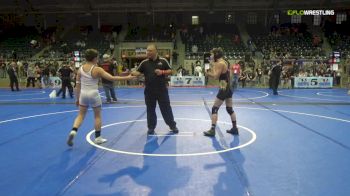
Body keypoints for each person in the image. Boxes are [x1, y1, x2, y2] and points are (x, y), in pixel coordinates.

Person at [67, 49, 135, 146]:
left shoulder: (80, 69)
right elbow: (112, 78)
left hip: (83, 94)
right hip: (93, 94)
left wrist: (77, 99)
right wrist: (127, 78)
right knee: (97, 116)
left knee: (80, 115)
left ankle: (73, 131)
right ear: (95, 58)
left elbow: (77, 86)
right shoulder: (97, 69)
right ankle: (98, 138)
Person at [131, 44, 179, 135]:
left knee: (166, 109)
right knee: (150, 110)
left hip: (162, 91)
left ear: (156, 51)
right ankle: (151, 127)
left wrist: (162, 72)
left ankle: (172, 125)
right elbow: (138, 71)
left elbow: (171, 71)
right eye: (147, 50)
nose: (148, 52)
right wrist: (134, 73)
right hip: (149, 91)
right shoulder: (144, 62)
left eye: (150, 51)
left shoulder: (163, 61)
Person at [203, 47, 239, 137]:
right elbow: (225, 73)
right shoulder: (225, 61)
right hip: (229, 86)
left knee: (214, 108)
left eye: (212, 54)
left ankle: (212, 130)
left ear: (216, 55)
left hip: (223, 86)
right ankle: (235, 128)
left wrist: (207, 73)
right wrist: (212, 64)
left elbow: (215, 76)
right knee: (229, 109)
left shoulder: (219, 63)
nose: (211, 56)